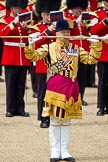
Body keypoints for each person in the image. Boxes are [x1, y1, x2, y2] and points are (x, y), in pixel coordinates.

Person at [24, 19, 102, 162]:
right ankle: (54, 151)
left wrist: (95, 43)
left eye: (68, 32)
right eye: (63, 32)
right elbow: (32, 56)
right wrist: (30, 43)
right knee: (54, 120)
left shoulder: (75, 48)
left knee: (66, 121)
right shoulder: (49, 47)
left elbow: (91, 60)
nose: (66, 34)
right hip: (55, 87)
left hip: (71, 87)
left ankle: (64, 151)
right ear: (57, 33)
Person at [28, 0, 61, 128]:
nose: (48, 17)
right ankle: (43, 117)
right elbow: (35, 43)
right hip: (43, 65)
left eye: (50, 14)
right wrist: (48, 31)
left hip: (57, 65)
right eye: (46, 14)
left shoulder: (59, 27)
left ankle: (55, 115)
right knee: (43, 93)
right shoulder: (36, 28)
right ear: (41, 14)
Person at [0, 0, 31, 117]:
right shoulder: (4, 20)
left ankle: (20, 108)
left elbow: (29, 37)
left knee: (21, 85)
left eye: (19, 8)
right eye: (16, 8)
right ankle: (10, 109)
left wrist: (27, 28)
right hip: (11, 57)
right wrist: (15, 22)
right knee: (11, 85)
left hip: (22, 56)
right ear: (11, 8)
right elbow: (3, 33)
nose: (18, 10)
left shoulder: (25, 22)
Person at [65, 0, 90, 106]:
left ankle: (80, 97)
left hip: (83, 51)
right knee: (72, 77)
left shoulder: (85, 18)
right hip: (71, 51)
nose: (78, 10)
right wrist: (78, 20)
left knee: (82, 77)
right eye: (76, 8)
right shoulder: (67, 17)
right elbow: (67, 28)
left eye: (80, 8)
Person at [90, 0, 108, 115]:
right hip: (104, 53)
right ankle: (101, 106)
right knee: (102, 81)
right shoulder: (98, 14)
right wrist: (106, 21)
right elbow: (93, 30)